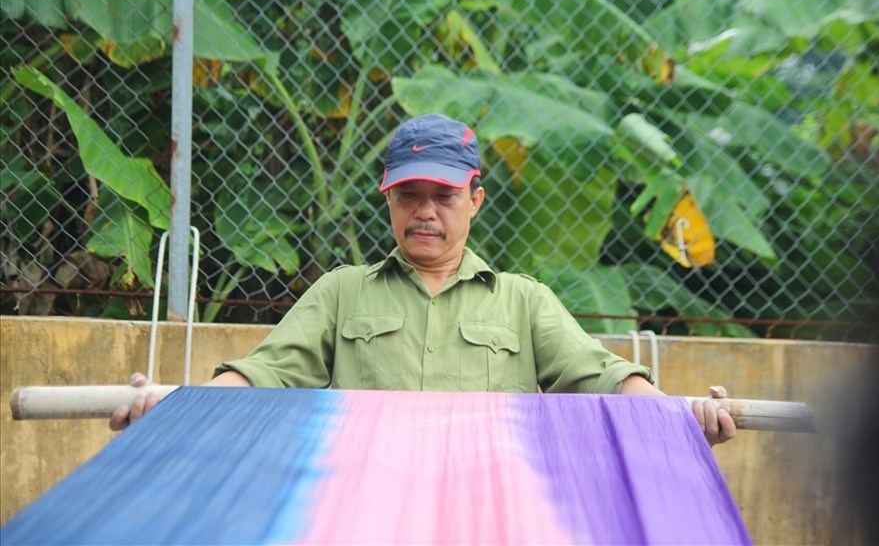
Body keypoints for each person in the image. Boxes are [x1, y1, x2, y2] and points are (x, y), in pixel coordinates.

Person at [111, 113, 736, 446]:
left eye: (443, 195)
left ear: (476, 199)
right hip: (362, 506)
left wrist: (677, 418)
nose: (425, 211)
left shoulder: (524, 301)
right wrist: (180, 404)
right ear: (388, 201)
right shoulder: (339, 292)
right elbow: (265, 372)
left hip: (489, 509)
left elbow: (601, 376)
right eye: (408, 195)